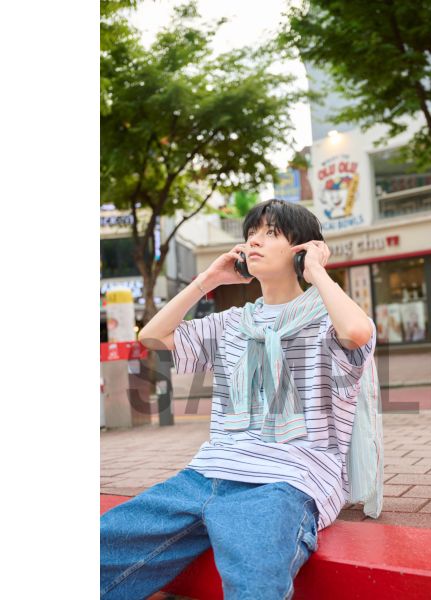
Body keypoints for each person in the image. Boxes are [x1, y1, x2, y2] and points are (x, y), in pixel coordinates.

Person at [100, 199, 376, 600]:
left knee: (254, 585)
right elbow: (153, 337)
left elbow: (356, 333)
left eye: (272, 233)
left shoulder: (327, 319)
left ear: (302, 250)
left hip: (285, 480)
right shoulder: (232, 322)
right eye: (251, 233)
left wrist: (316, 272)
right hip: (205, 475)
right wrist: (208, 280)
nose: (255, 241)